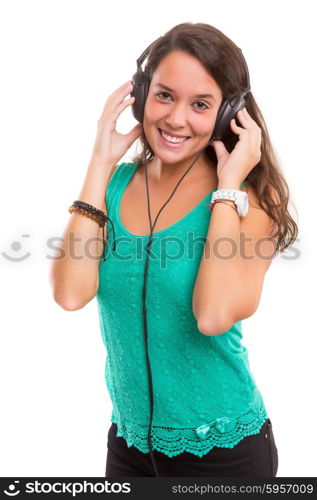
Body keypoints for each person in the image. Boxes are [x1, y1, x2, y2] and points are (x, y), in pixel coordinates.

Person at [49, 22, 297, 477]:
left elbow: (213, 315)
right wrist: (100, 163)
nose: (176, 119)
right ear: (142, 95)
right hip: (128, 448)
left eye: (200, 105)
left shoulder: (252, 201)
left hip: (225, 454)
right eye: (164, 95)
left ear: (228, 115)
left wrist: (226, 190)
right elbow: (70, 293)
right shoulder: (117, 184)